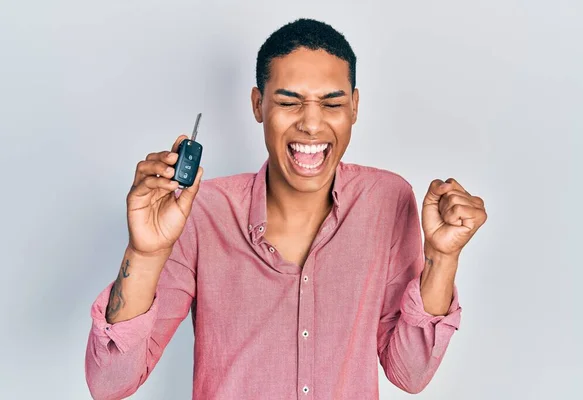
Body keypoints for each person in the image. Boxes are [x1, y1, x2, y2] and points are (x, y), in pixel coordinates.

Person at [85, 18, 487, 400]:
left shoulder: (387, 200)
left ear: (355, 107)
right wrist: (146, 252)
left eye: (331, 103)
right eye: (289, 102)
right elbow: (110, 383)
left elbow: (410, 373)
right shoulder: (200, 212)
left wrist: (442, 256)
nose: (311, 124)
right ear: (258, 105)